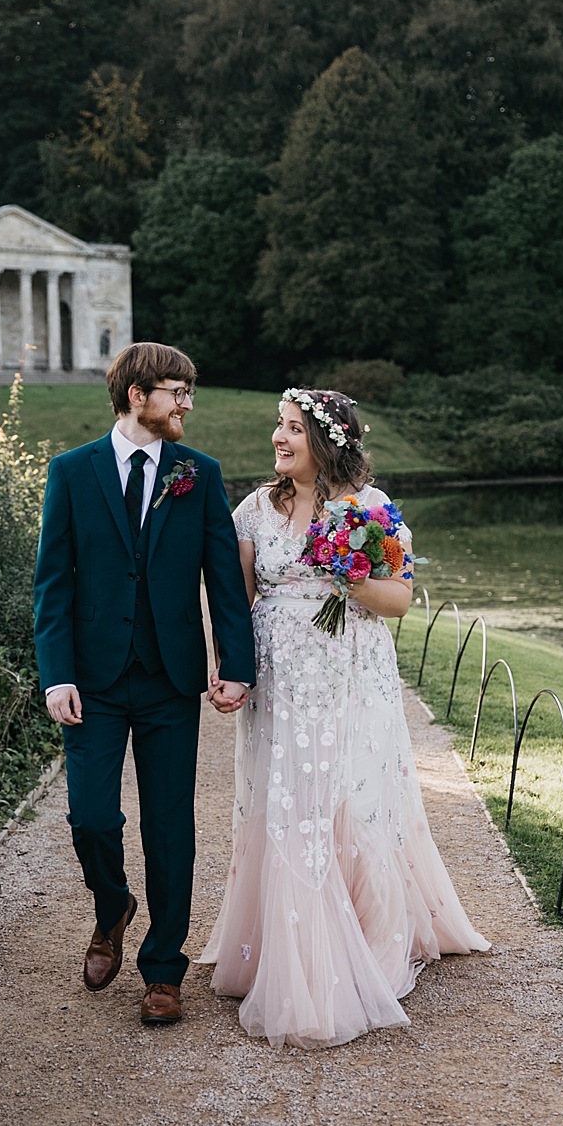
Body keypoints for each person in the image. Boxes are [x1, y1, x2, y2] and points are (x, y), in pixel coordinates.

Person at [200, 389, 489, 1048]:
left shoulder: (371, 509)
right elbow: (235, 601)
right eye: (280, 425)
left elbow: (399, 599)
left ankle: (364, 942)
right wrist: (229, 669)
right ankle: (285, 950)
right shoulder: (254, 509)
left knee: (353, 806)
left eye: (294, 428)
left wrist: (345, 572)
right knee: (287, 807)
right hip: (280, 685)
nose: (279, 436)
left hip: (352, 682)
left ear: (328, 441)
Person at [33, 342, 255, 1027]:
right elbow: (52, 584)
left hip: (168, 677)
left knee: (169, 827)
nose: (187, 402)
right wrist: (57, 674)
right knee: (90, 817)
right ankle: (112, 906)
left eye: (189, 391)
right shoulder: (71, 473)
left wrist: (235, 664)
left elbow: (223, 578)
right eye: (176, 390)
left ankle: (163, 970)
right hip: (92, 681)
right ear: (137, 394)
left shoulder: (197, 473)